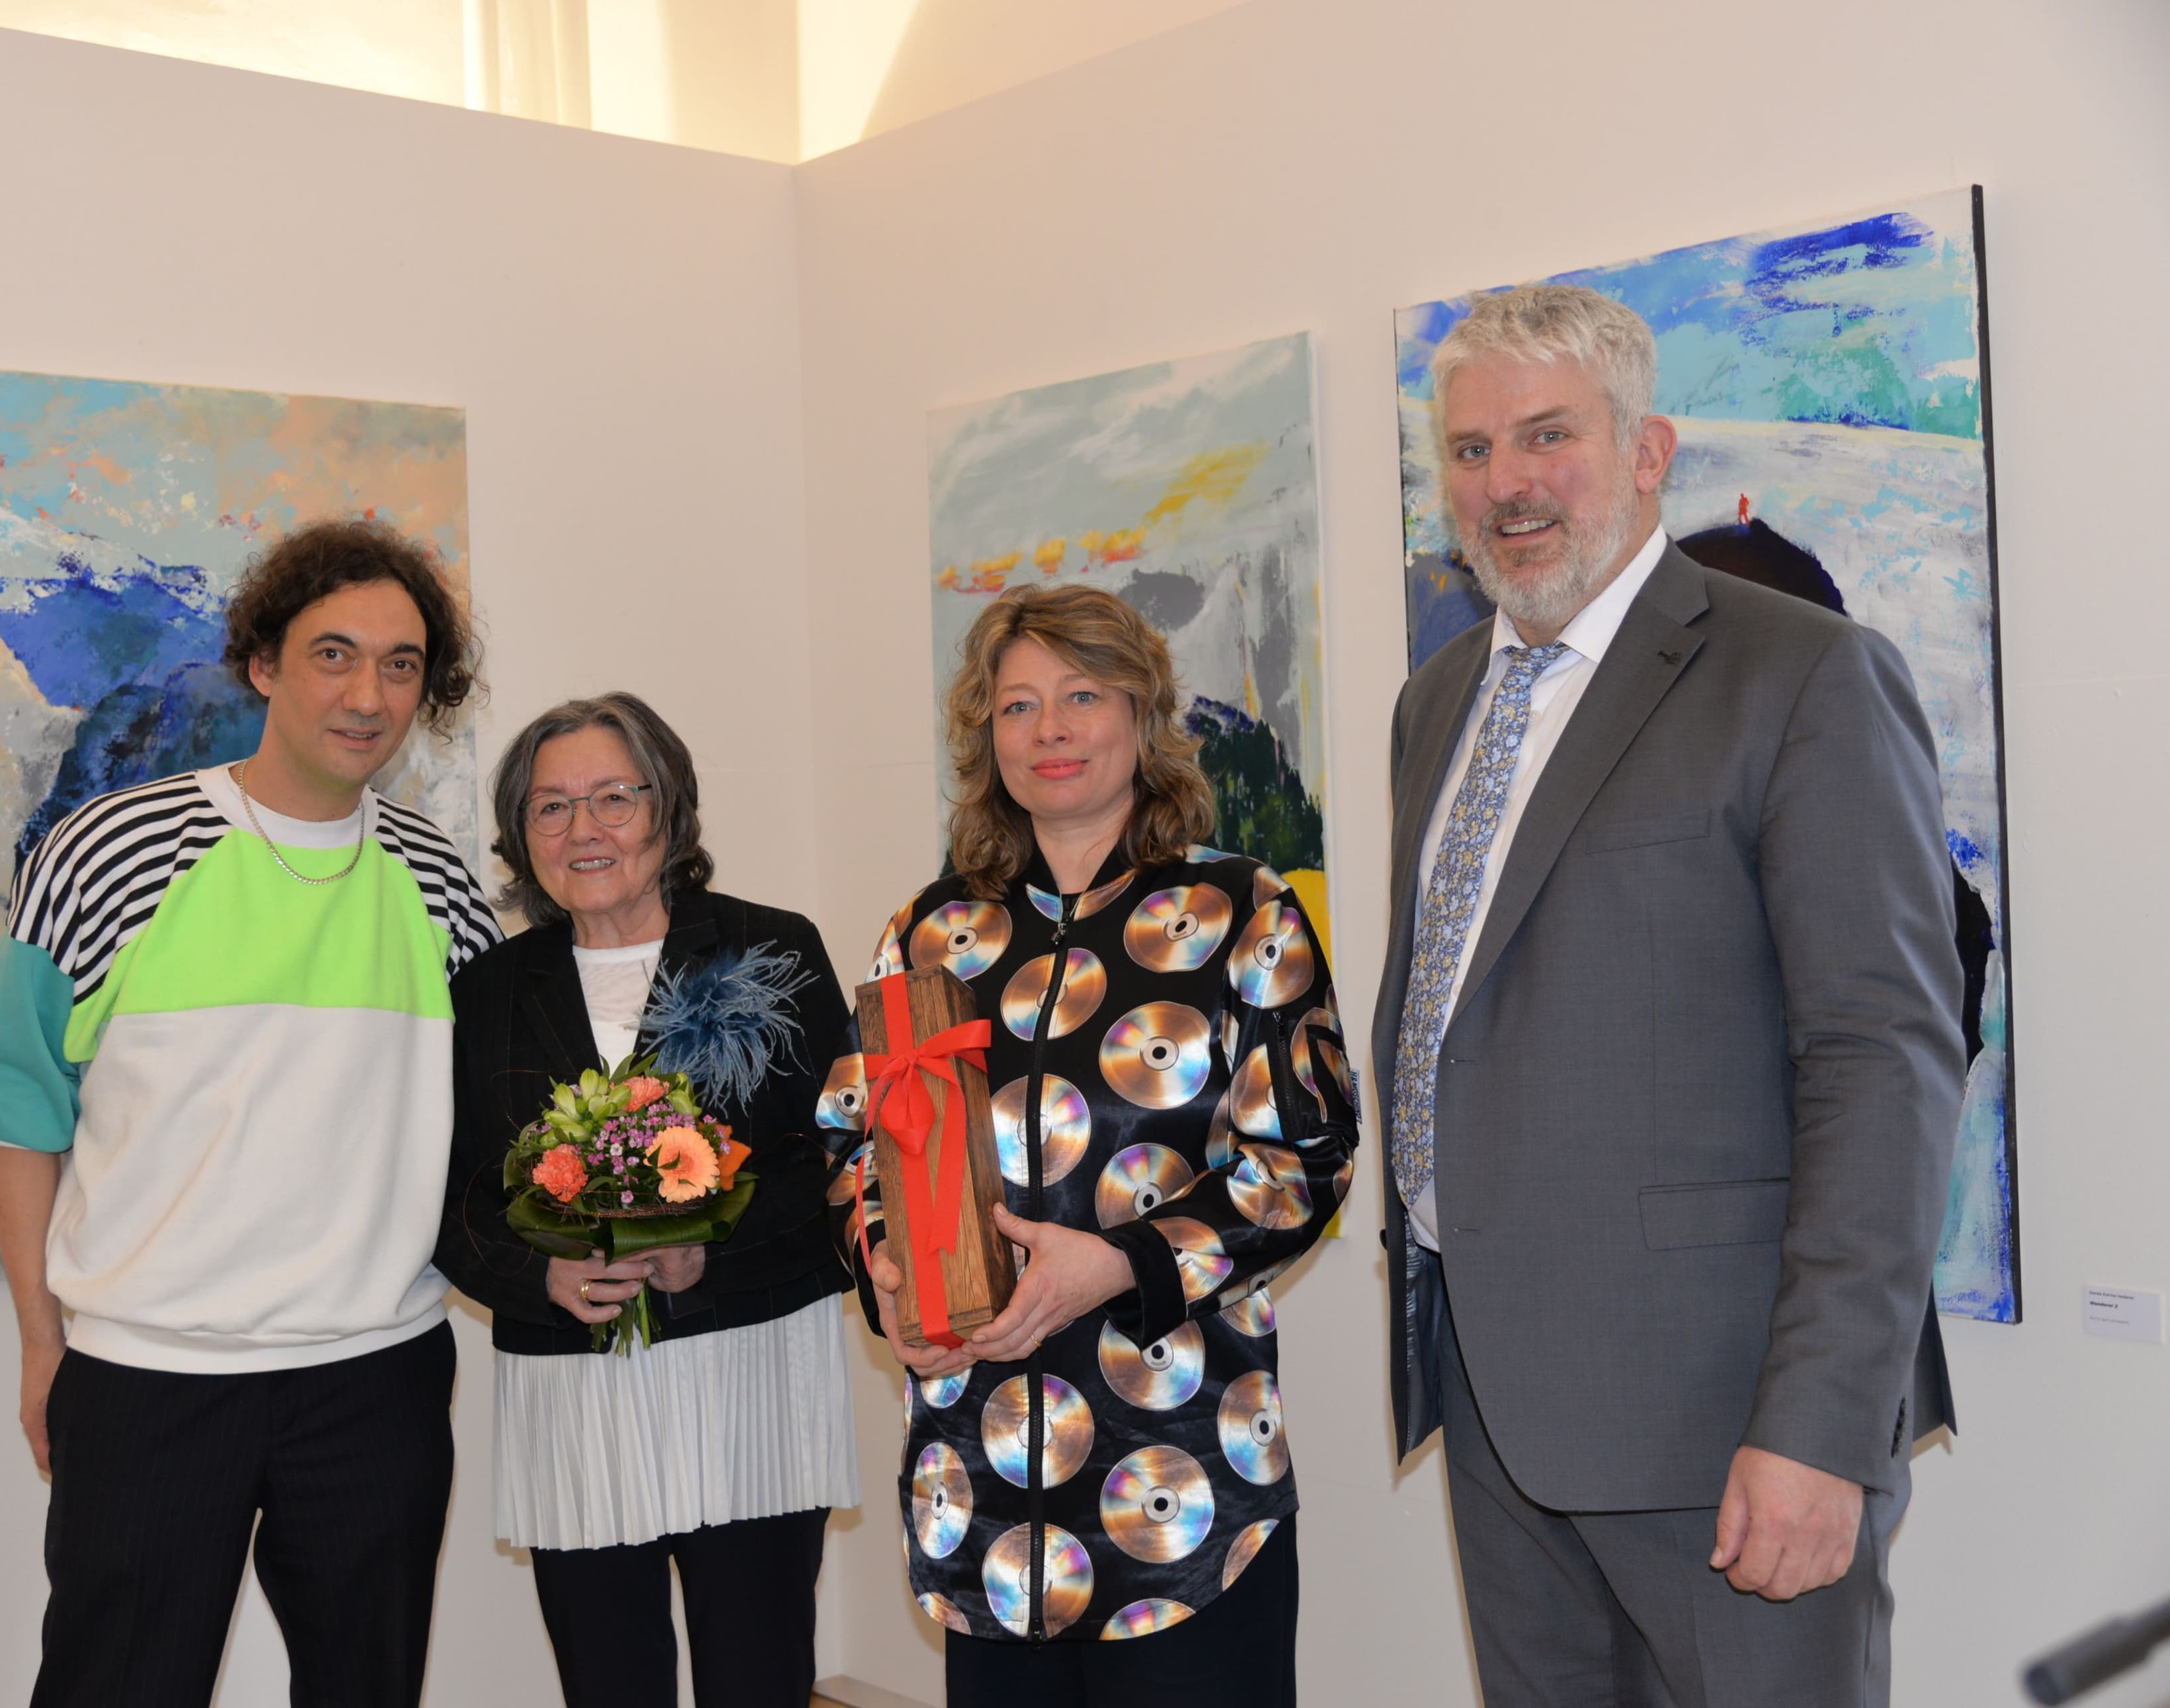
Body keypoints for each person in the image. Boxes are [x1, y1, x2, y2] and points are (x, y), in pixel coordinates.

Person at [1378, 283, 1964, 1706]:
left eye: (1548, 435)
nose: (1506, 484)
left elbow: (1880, 1060)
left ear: (1648, 451)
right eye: (1470, 451)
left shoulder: (1803, 676)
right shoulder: (1438, 700)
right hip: (1494, 1399)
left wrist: (1821, 1425)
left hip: (1726, 1419)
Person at [0, 518, 501, 1706]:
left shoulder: (439, 880)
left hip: (377, 1378)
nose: (368, 695)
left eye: (401, 664)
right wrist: (43, 1344)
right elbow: (16, 1107)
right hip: (150, 1379)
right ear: (262, 664)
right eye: (333, 654)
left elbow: (495, 1113)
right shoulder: (109, 852)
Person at [823, 585, 1358, 1705]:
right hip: (980, 1496)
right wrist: (886, 1271)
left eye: (1081, 696)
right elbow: (854, 1146)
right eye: (1017, 706)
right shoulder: (928, 933)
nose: (1049, 730)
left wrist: (1120, 1264)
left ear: (1141, 714)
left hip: (1185, 1493)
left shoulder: (1240, 911)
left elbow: (1304, 1160)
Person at [436, 692, 862, 1708]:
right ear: (521, 834)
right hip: (573, 1396)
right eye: (550, 807)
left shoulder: (770, 950)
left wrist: (713, 1248)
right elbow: (449, 1194)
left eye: (613, 798)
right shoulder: (487, 989)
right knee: (608, 1681)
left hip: (752, 1377)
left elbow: (842, 1157)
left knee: (758, 1677)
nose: (582, 829)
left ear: (668, 806)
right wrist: (539, 1275)